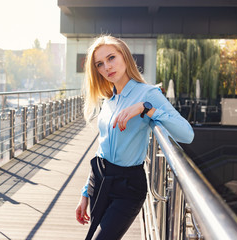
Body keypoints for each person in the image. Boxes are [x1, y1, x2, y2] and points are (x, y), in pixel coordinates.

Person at [75, 35, 194, 240]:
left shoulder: (148, 94)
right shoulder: (109, 98)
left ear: (125, 56)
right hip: (99, 180)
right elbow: (102, 147)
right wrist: (86, 191)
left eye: (111, 57)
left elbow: (187, 134)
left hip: (127, 186)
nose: (107, 67)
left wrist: (145, 109)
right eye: (100, 64)